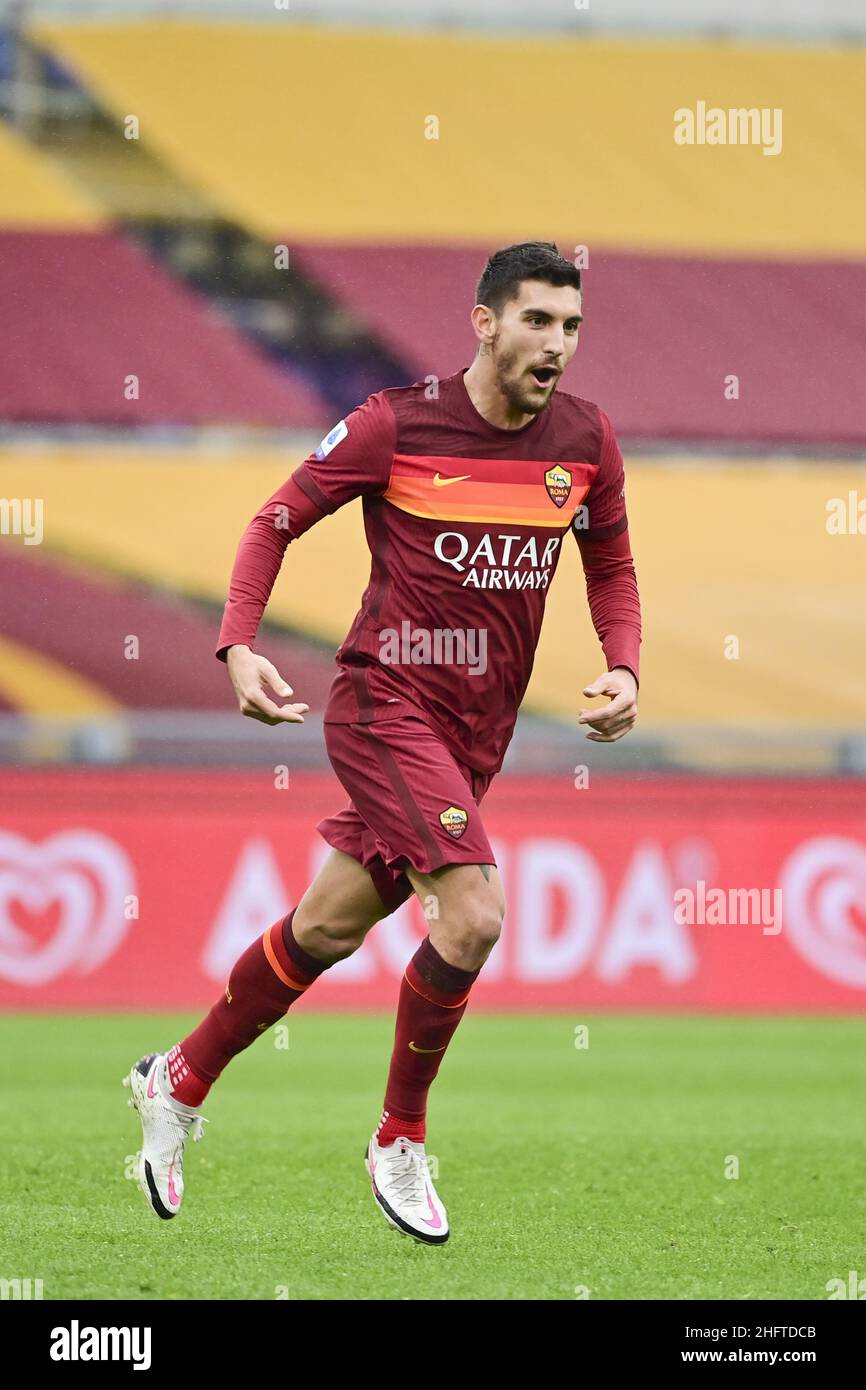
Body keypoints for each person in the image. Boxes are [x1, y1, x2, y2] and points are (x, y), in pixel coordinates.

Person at [124, 240, 642, 1244]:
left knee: (321, 931)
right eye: (536, 320)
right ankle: (398, 1137)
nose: (557, 344)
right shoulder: (393, 424)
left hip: (473, 735)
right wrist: (236, 643)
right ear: (484, 321)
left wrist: (623, 662)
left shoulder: (585, 440)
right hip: (382, 701)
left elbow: (610, 561)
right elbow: (272, 521)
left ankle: (175, 1080)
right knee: (475, 915)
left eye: (571, 325)